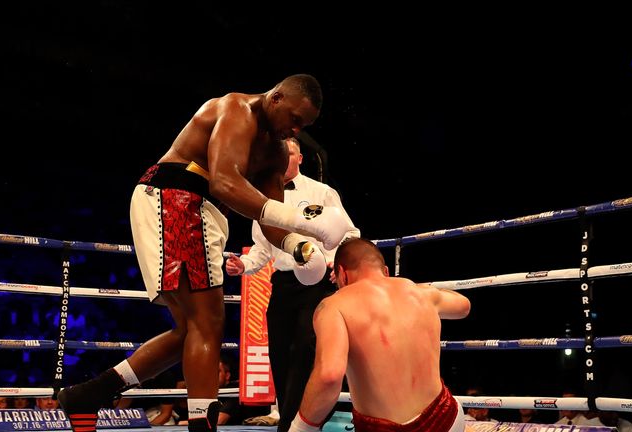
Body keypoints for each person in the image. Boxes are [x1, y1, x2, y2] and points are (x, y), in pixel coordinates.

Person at [58, 74, 354, 432]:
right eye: (293, 119)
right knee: (208, 322)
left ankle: (90, 394)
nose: (294, 130)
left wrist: (297, 244)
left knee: (191, 329)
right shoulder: (236, 109)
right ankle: (202, 427)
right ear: (275, 98)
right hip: (177, 198)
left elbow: (269, 216)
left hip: (201, 211)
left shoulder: (275, 152)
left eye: (303, 126)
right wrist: (303, 219)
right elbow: (224, 182)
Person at [225, 136, 359, 432]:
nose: (284, 157)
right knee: (279, 352)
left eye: (290, 153)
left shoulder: (322, 191)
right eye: (279, 153)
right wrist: (243, 265)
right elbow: (261, 249)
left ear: (300, 158)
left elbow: (348, 232)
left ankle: (290, 424)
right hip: (283, 283)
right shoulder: (263, 198)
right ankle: (294, 420)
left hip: (317, 281)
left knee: (304, 349)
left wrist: (337, 263)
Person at [289, 238, 471, 432]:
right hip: (447, 419)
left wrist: (300, 427)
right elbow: (464, 306)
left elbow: (330, 376)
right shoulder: (423, 294)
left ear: (342, 274)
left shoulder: (334, 306)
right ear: (385, 271)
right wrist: (416, 289)